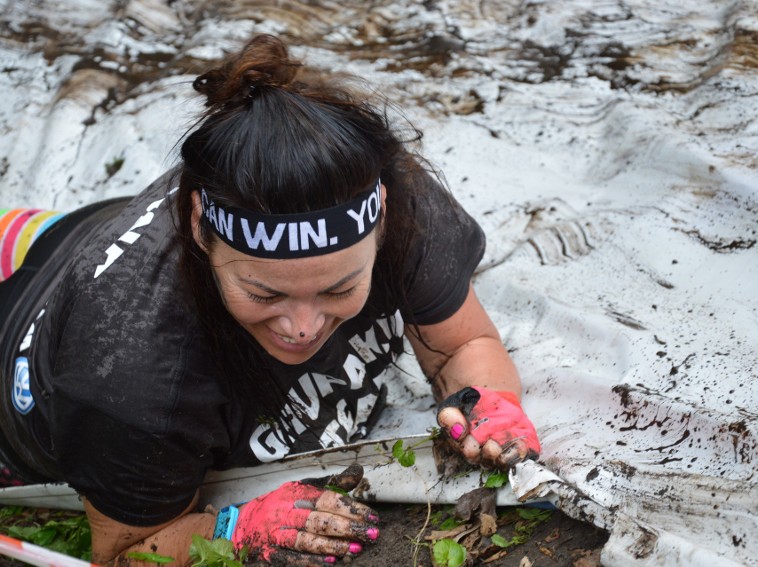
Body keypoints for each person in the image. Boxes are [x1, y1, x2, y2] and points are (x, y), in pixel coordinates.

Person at [0, 34, 540, 566]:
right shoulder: (129, 375)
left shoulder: (399, 201)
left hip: (92, 229)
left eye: (338, 288)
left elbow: (461, 345)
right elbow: (122, 554)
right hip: (25, 331)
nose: (303, 327)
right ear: (197, 227)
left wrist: (489, 403)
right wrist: (231, 530)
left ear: (381, 225)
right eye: (264, 293)